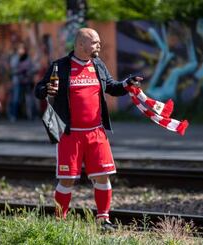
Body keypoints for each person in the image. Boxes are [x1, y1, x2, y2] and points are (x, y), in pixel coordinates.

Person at [34, 28, 142, 230]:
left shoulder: (98, 65)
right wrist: (46, 89)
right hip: (69, 134)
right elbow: (38, 89)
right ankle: (59, 222)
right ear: (81, 44)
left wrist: (127, 84)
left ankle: (103, 219)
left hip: (96, 132)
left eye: (99, 42)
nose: (99, 45)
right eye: (95, 42)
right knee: (67, 180)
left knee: (103, 176)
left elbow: (111, 87)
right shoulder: (60, 66)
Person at [8, 42, 36, 122]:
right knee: (16, 98)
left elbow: (32, 67)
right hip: (17, 80)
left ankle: (31, 115)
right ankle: (14, 115)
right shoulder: (15, 58)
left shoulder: (27, 58)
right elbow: (13, 69)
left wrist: (29, 72)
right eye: (19, 49)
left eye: (22, 49)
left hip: (26, 81)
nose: (21, 51)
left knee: (29, 99)